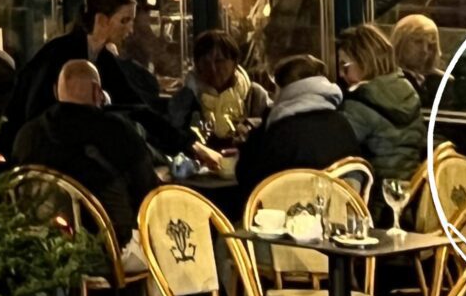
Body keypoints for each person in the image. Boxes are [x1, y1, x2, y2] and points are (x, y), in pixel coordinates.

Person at [11, 58, 166, 239]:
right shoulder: (116, 130)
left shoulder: (27, 134)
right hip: (110, 247)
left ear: (55, 91)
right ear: (97, 92)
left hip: (43, 243)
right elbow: (147, 192)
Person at [5, 0, 172, 148]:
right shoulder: (59, 52)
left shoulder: (104, 57)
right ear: (101, 20)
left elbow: (133, 103)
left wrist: (184, 142)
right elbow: (33, 110)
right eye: (124, 21)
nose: (130, 29)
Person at [236, 53, 363, 192]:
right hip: (341, 209)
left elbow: (248, 177)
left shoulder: (279, 131)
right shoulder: (342, 123)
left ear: (282, 89)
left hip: (291, 210)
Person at [336, 22, 426, 177]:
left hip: (374, 194)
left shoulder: (358, 104)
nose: (341, 74)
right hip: (408, 188)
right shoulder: (407, 91)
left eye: (345, 66)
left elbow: (337, 151)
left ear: (364, 62)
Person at [165, 28, 271, 147]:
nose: (213, 69)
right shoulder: (186, 98)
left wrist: (250, 126)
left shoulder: (255, 95)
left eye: (219, 61)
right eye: (206, 63)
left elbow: (273, 128)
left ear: (235, 62)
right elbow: (172, 137)